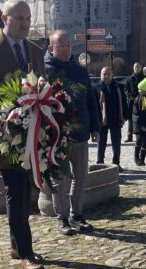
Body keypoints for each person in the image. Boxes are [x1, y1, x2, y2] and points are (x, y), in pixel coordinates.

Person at [0, 0, 46, 269]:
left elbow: (44, 86)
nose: (25, 23)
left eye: (28, 18)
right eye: (19, 18)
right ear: (5, 18)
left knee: (26, 190)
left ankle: (17, 245)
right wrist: (16, 99)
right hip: (4, 135)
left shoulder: (35, 50)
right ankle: (26, 255)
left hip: (33, 133)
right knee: (16, 192)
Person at [45, 29, 101, 235]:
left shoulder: (80, 70)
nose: (67, 48)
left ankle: (77, 215)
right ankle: (62, 217)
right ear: (51, 47)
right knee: (60, 179)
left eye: (69, 44)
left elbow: (91, 101)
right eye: (61, 45)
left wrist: (95, 127)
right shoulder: (45, 71)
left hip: (80, 133)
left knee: (81, 176)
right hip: (56, 137)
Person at [96, 66, 126, 170]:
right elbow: (93, 105)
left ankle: (116, 162)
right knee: (101, 142)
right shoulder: (96, 87)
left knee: (116, 142)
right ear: (101, 75)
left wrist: (124, 118)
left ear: (112, 75)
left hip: (115, 119)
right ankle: (100, 163)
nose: (106, 76)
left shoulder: (118, 87)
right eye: (104, 74)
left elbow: (124, 102)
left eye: (108, 74)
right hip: (102, 120)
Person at [124, 62, 145, 142]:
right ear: (133, 68)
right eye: (135, 67)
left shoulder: (144, 78)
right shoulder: (129, 79)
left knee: (141, 117)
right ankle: (129, 136)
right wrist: (129, 96)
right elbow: (126, 89)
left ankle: (140, 134)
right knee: (130, 119)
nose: (137, 68)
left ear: (141, 68)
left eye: (138, 67)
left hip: (141, 101)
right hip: (131, 101)